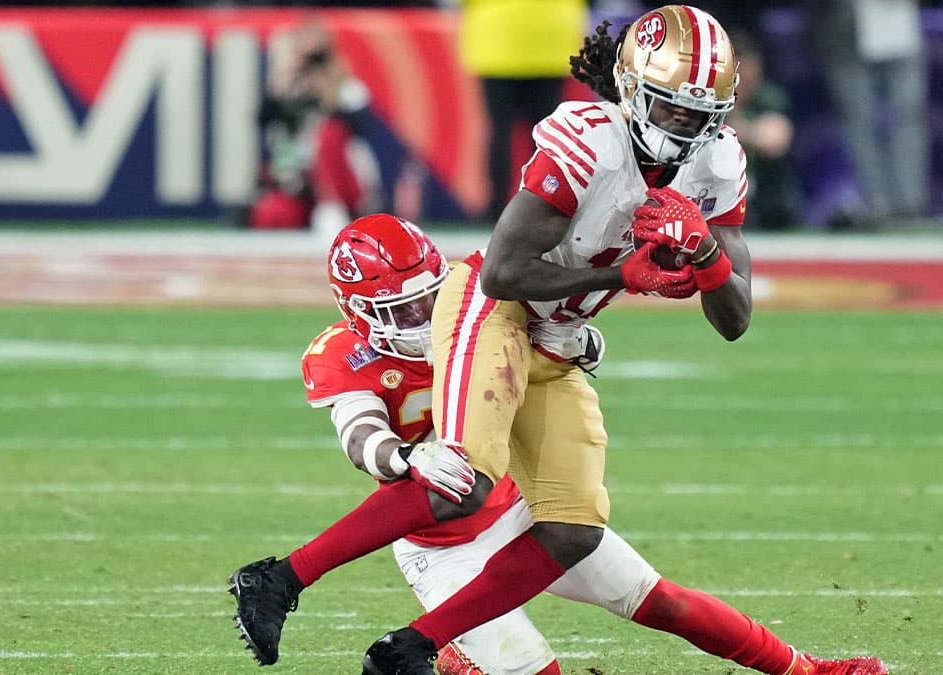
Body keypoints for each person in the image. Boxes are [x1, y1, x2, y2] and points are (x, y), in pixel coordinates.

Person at [359, 6, 887, 674]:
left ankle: (804, 671)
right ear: (634, 92)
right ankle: (304, 586)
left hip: (558, 343)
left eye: (701, 116)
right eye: (672, 110)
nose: (687, 129)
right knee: (463, 478)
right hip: (497, 320)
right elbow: (502, 273)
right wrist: (624, 273)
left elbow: (734, 319)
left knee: (609, 558)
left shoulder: (717, 163)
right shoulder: (588, 142)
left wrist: (706, 256)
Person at [228, 214, 886, 675]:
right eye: (402, 312)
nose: (424, 321)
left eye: (429, 301)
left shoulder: (468, 313)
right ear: (358, 314)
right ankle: (442, 645)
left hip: (522, 508)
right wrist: (404, 456)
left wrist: (577, 344)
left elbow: (556, 340)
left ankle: (805, 669)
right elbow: (360, 434)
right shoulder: (342, 355)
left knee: (663, 599)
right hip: (441, 550)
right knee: (536, 668)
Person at [449, 0, 589, 221]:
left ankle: (495, 210)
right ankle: (546, 206)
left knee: (499, 132)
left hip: (497, 36)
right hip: (551, 35)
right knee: (549, 136)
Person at [249, 18, 382, 239]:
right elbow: (263, 123)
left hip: (343, 185)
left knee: (327, 131)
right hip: (299, 183)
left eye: (317, 57)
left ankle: (331, 208)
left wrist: (329, 88)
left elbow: (363, 127)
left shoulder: (346, 86)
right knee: (272, 214)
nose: (312, 65)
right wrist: (281, 82)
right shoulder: (287, 86)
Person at [808, 0, 929, 228]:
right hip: (843, 24)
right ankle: (877, 207)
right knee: (858, 121)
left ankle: (910, 207)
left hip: (899, 20)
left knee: (907, 116)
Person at [727, 31, 802, 230]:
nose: (746, 79)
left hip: (768, 202)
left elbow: (775, 141)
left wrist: (736, 130)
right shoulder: (709, 101)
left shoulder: (769, 97)